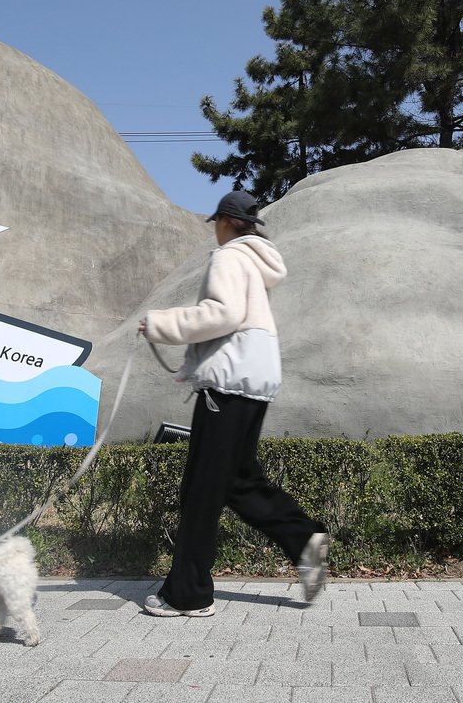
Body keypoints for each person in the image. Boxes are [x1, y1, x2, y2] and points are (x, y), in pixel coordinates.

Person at [137, 189, 330, 617]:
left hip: (226, 387)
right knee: (239, 482)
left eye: (217, 223)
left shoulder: (227, 257)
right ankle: (304, 539)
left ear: (225, 221)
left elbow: (221, 314)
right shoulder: (258, 263)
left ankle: (186, 595)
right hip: (255, 382)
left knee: (201, 492)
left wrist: (159, 324)